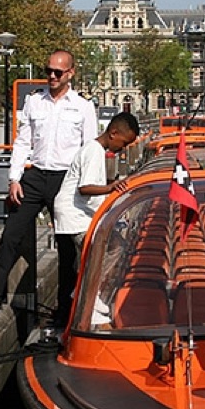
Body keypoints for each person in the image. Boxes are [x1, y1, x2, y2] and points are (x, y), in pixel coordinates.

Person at [0, 49, 97, 325]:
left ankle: (66, 308)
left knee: (66, 246)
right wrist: (14, 179)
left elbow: (90, 149)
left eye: (57, 72)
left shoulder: (83, 107)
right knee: (11, 234)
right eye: (48, 70)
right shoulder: (34, 102)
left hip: (66, 179)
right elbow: (23, 141)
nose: (51, 76)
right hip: (36, 175)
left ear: (70, 73)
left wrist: (85, 188)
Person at [52, 111, 140, 316]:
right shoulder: (94, 151)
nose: (123, 149)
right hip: (74, 215)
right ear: (113, 133)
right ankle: (87, 295)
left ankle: (87, 293)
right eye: (124, 143)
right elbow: (86, 188)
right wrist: (112, 188)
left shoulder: (95, 150)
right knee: (113, 246)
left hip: (79, 214)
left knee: (95, 253)